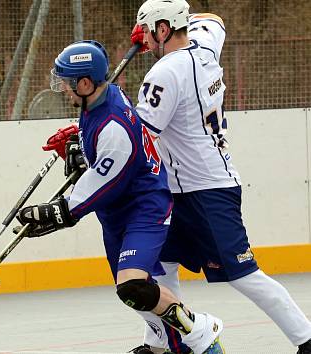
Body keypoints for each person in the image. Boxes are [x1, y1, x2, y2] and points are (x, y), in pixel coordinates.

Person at [16, 40, 224, 354]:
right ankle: (164, 347)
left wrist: (59, 211)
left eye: (68, 83)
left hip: (144, 208)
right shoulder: (102, 97)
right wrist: (81, 146)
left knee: (133, 284)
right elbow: (104, 154)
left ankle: (201, 331)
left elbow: (103, 182)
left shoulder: (113, 126)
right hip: (117, 212)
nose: (63, 89)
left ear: (86, 84)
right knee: (130, 292)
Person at [128, 1, 311, 353]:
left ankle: (305, 338)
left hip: (207, 190)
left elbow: (141, 137)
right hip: (178, 188)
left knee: (245, 275)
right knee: (160, 265)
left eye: (150, 32)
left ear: (163, 30)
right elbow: (213, 20)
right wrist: (159, 26)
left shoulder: (165, 73)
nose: (146, 41)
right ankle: (160, 344)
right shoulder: (205, 44)